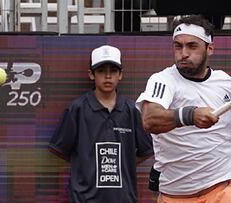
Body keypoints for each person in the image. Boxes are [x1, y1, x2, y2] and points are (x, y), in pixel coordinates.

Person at [136, 15, 231, 202]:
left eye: (192, 46)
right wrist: (190, 115)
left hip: (221, 192)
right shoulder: (162, 80)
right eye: (178, 46)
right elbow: (149, 120)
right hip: (174, 195)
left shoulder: (228, 84)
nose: (184, 53)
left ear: (210, 48)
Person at [49, 45, 154, 203]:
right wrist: (86, 162)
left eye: (113, 71)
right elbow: (60, 149)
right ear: (91, 74)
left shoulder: (131, 110)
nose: (107, 76)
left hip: (123, 198)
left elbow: (146, 150)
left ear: (120, 75)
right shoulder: (77, 109)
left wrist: (123, 161)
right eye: (101, 71)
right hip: (83, 198)